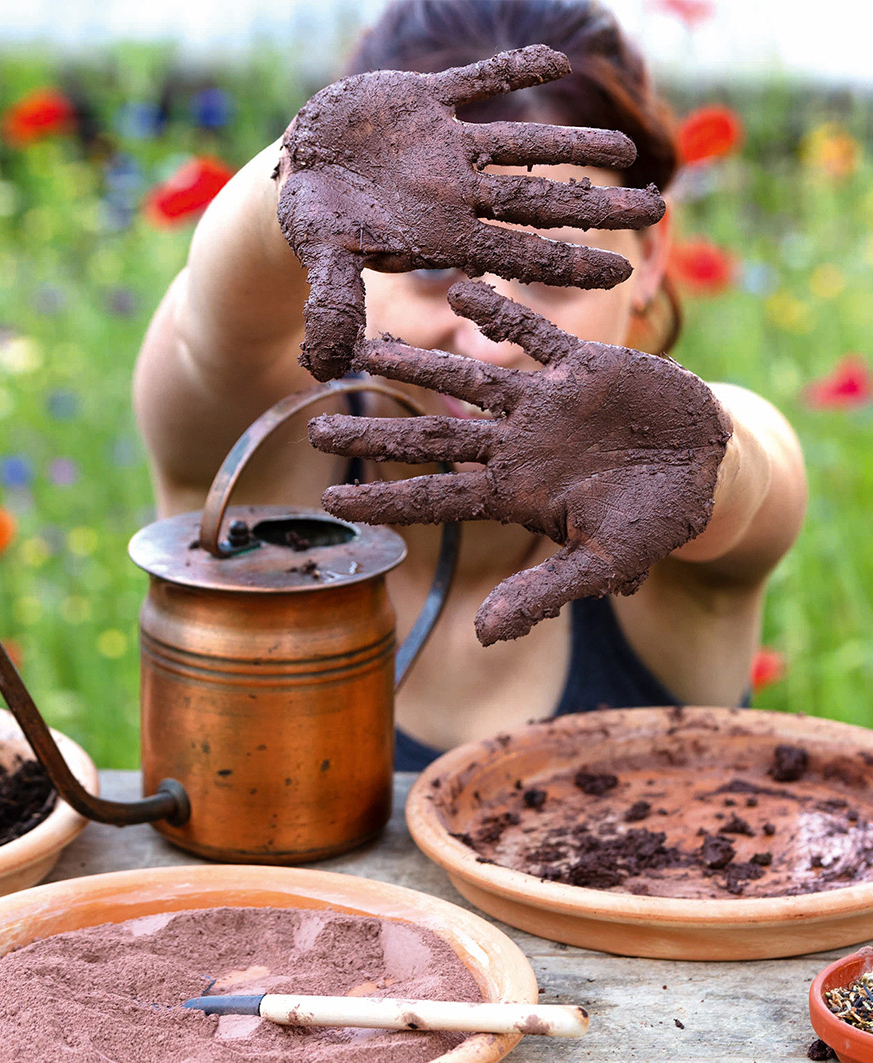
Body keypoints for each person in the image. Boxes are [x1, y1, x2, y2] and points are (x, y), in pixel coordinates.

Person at [133, 0, 806, 769]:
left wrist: (698, 459)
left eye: (556, 269)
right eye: (426, 266)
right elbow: (211, 326)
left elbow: (755, 473)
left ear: (649, 261)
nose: (490, 335)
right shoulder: (262, 450)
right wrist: (310, 165)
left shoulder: (686, 507)